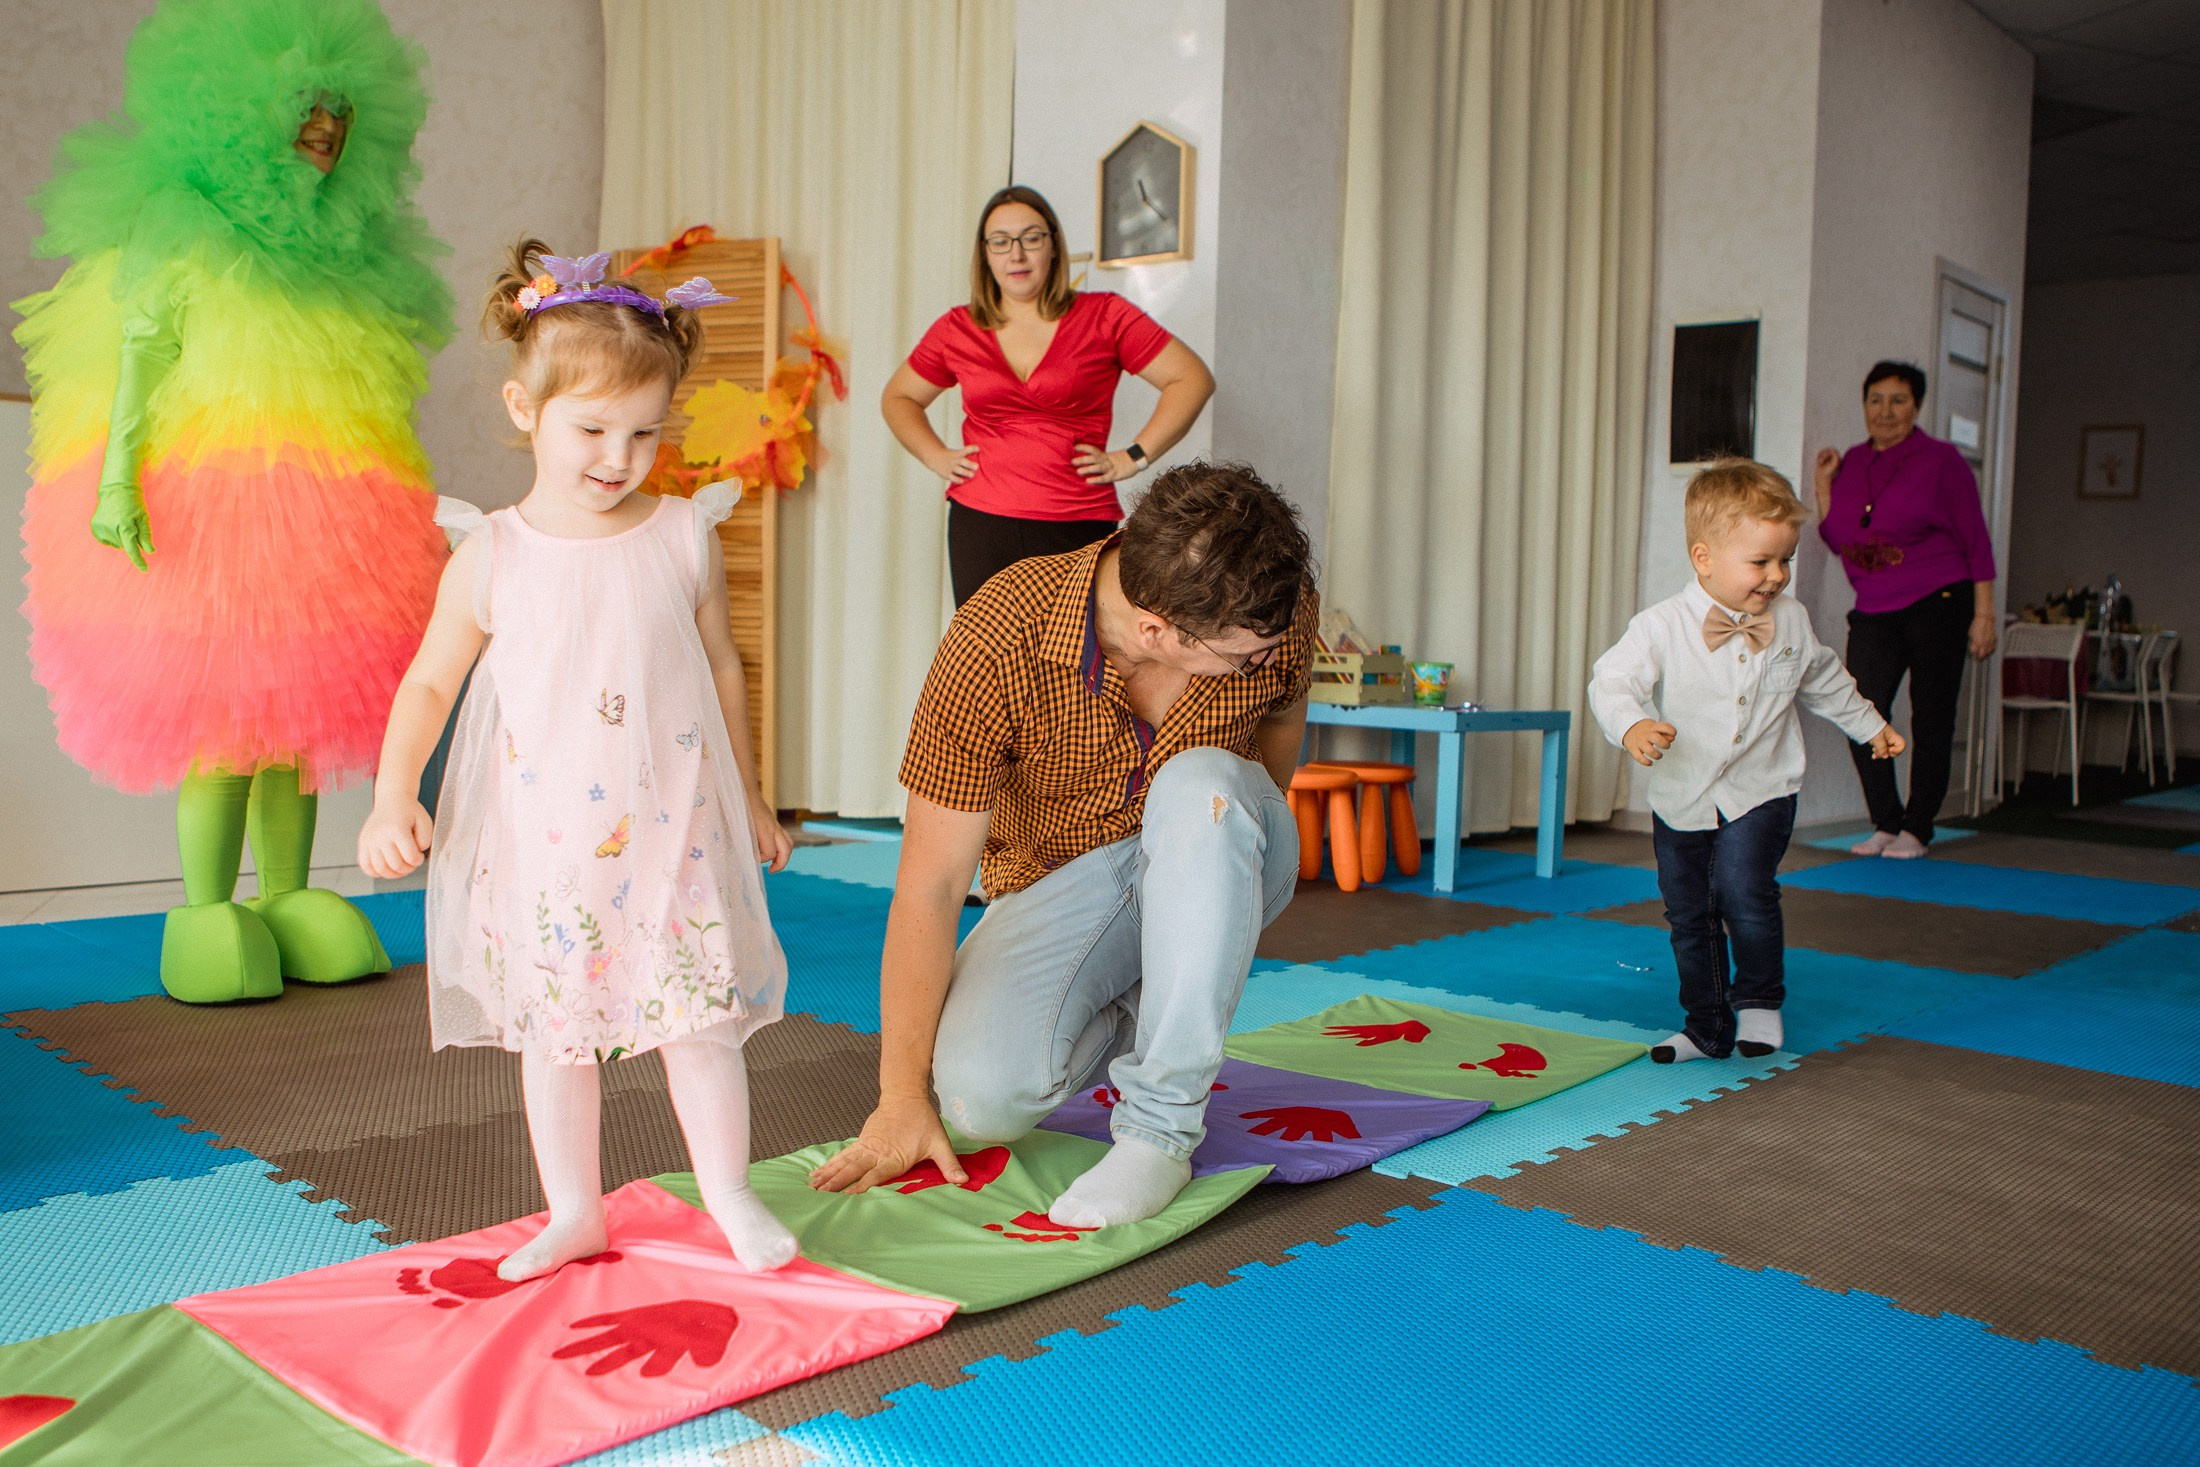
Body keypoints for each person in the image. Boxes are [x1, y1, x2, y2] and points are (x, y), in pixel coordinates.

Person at [359, 241, 798, 1282]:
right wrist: (390, 794)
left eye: (646, 433)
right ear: (525, 409)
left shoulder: (683, 533)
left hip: (675, 827)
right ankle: (573, 1211)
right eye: (591, 429)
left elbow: (725, 671)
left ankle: (730, 1192)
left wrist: (755, 801)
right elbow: (427, 684)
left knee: (697, 1018)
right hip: (548, 844)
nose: (619, 456)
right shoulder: (493, 554)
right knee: (557, 1034)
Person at [15, 0, 452, 1003]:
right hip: (211, 503)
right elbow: (142, 353)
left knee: (292, 720)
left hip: (318, 509)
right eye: (306, 104)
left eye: (341, 111)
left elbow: (368, 382)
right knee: (222, 714)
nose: (327, 126)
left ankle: (289, 895)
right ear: (237, 108)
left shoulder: (350, 243)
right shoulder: (187, 223)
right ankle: (208, 906)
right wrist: (118, 476)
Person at [808, 462, 1317, 1228]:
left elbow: (1280, 716)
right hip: (1059, 885)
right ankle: (1160, 985)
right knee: (982, 1098)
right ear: (1156, 632)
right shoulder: (998, 639)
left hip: (1215, 835)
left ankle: (1159, 1133)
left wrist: (1233, 846)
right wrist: (900, 1097)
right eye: (1242, 656)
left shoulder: (1272, 609)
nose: (1264, 663)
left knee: (1203, 782)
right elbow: (932, 884)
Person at [1590, 460, 1904, 1064]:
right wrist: (1631, 724)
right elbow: (1612, 681)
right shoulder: (1660, 625)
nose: (1776, 576)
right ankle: (1705, 1024)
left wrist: (1872, 725)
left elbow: (1823, 681)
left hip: (1763, 787)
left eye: (1784, 560)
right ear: (1704, 557)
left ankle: (1759, 1001)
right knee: (1689, 914)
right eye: (1760, 562)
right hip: (1682, 796)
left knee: (1743, 888)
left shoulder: (1790, 620)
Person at [882, 185, 1215, 606]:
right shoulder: (957, 328)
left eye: (1031, 238)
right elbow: (899, 398)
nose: (1016, 254)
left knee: (1073, 658)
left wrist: (1132, 457)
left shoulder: (1106, 315)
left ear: (1053, 246)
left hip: (1076, 522)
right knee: (987, 659)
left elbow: (1190, 379)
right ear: (985, 254)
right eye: (1000, 242)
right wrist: (936, 456)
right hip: (981, 521)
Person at [1813, 360, 1998, 858]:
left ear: (1917, 406)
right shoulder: (1851, 461)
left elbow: (1976, 540)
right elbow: (1838, 536)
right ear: (1864, 404)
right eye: (1876, 399)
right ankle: (1886, 821)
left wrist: (1984, 615)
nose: (1886, 411)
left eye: (1898, 400)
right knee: (1861, 711)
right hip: (1875, 605)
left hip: (1939, 599)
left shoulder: (1942, 461)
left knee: (1932, 717)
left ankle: (1918, 827)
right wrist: (1824, 484)